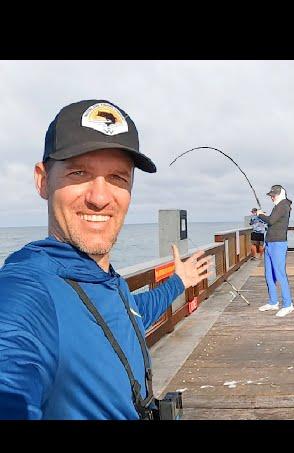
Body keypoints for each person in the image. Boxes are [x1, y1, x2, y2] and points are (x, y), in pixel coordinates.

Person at [0, 99, 211, 420]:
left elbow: (132, 316)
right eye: (79, 172)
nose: (99, 197)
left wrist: (179, 281)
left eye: (117, 177)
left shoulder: (105, 283)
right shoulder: (26, 292)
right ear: (43, 181)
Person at [256, 185, 294, 317]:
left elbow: (271, 221)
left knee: (280, 274)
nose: (272, 197)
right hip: (270, 243)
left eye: (274, 195)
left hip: (278, 244)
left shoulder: (283, 205)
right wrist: (262, 215)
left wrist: (260, 215)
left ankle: (288, 305)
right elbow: (273, 221)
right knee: (269, 275)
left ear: (281, 194)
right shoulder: (278, 206)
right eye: (271, 195)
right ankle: (273, 302)